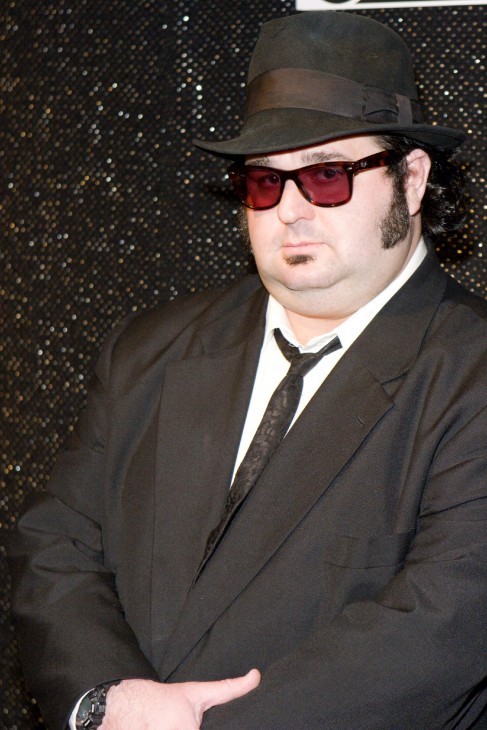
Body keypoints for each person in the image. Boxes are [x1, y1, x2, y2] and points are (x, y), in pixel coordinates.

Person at [8, 10, 487, 730]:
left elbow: (439, 630)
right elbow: (55, 545)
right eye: (264, 181)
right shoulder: (147, 351)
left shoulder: (470, 373)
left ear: (411, 180)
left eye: (325, 176)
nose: (290, 210)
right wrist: (107, 698)